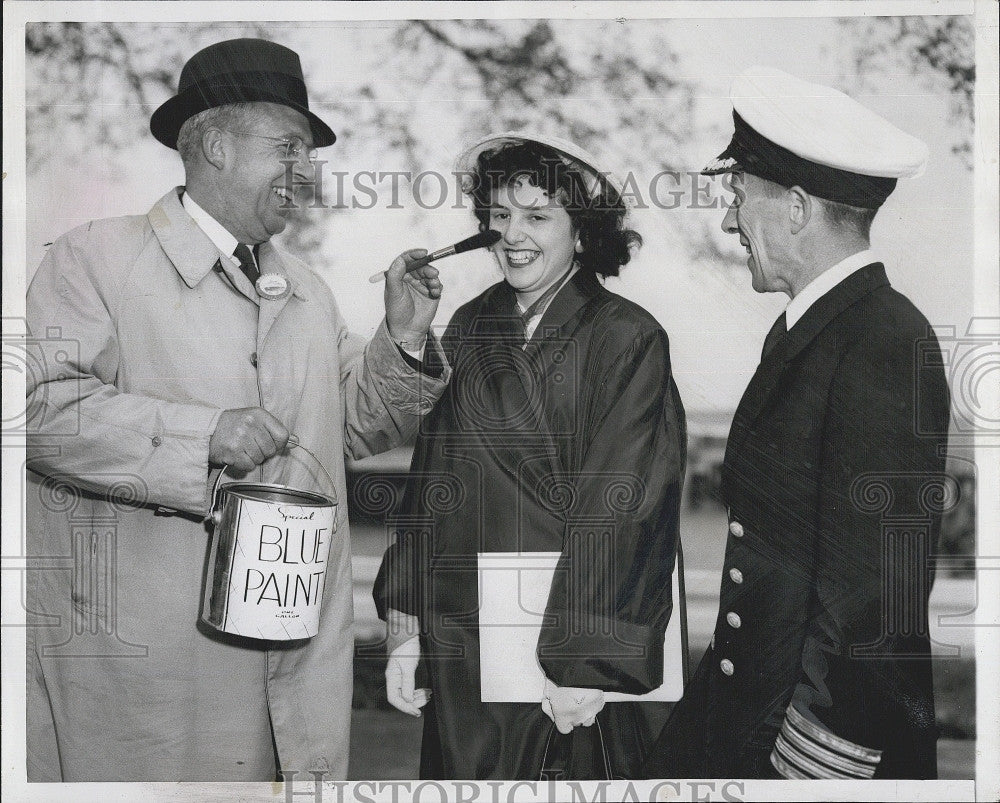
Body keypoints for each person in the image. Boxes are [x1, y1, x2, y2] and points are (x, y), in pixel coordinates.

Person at [25, 38, 449, 782]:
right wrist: (204, 435)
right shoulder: (93, 257)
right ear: (215, 146)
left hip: (285, 663)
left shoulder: (309, 293)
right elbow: (37, 410)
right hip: (145, 681)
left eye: (309, 153)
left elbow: (348, 424)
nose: (306, 172)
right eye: (289, 146)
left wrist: (404, 339)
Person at [642, 67, 951, 780]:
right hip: (751, 712)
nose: (727, 222)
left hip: (815, 745)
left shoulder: (881, 338)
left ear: (798, 208)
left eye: (738, 197)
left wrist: (811, 768)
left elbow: (879, 592)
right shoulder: (819, 330)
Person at [373, 132, 687, 779]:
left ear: (583, 232)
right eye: (500, 215)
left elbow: (625, 504)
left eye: (538, 216)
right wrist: (405, 625)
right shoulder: (466, 326)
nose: (513, 234)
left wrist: (587, 661)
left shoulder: (629, 338)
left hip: (564, 654)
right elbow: (430, 481)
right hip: (464, 644)